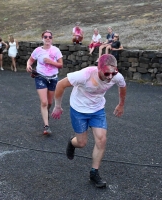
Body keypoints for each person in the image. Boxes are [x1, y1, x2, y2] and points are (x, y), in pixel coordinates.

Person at [51, 54, 127, 188]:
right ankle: (72, 142)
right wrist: (57, 106)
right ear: (99, 69)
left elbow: (122, 85)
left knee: (102, 139)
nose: (110, 77)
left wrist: (121, 104)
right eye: (107, 73)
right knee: (82, 143)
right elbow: (60, 85)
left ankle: (94, 172)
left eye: (113, 72)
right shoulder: (84, 75)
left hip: (97, 110)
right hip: (79, 110)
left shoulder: (116, 76)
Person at [26, 30, 63, 135]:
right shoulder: (37, 50)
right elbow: (30, 60)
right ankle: (46, 126)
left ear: (52, 39)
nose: (47, 38)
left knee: (50, 102)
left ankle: (45, 114)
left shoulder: (56, 50)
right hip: (40, 77)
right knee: (44, 102)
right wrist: (28, 65)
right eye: (45, 37)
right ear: (42, 38)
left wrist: (51, 62)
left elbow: (61, 65)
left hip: (53, 78)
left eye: (49, 37)